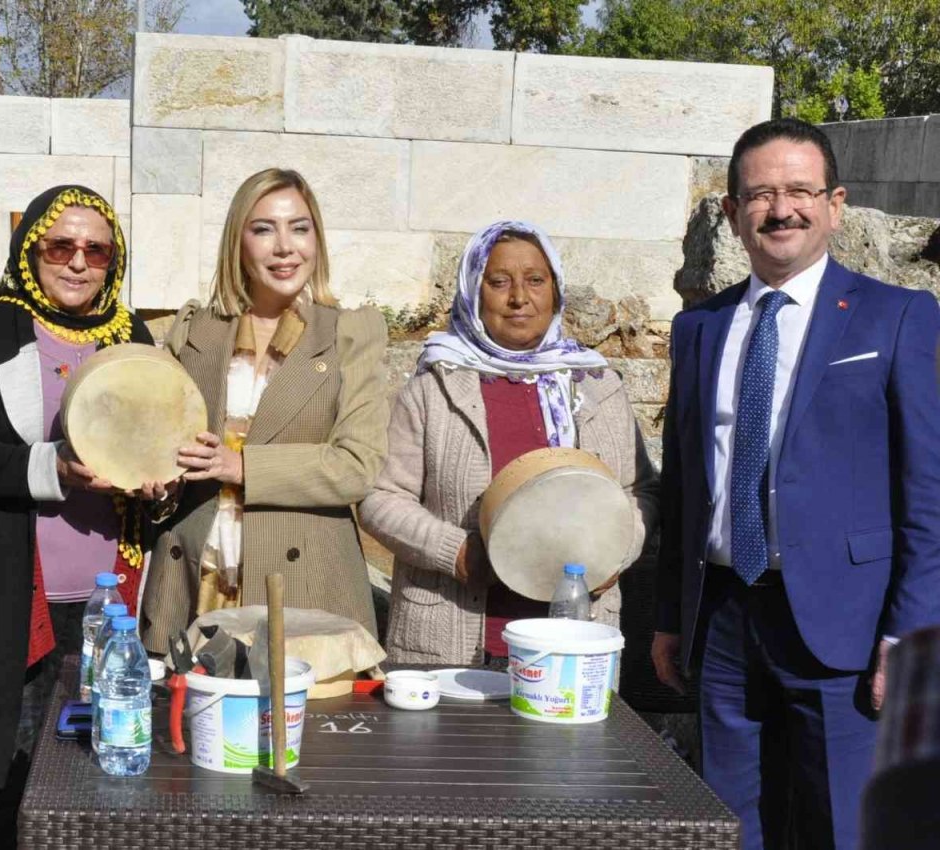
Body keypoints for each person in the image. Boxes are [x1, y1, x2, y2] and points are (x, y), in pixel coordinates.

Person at [653, 118, 940, 850]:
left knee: (845, 827)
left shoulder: (899, 317)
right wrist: (667, 615)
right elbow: (684, 486)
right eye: (760, 194)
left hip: (846, 628)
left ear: (835, 204)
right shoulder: (700, 329)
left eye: (801, 191)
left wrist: (908, 635)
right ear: (732, 213)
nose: (781, 209)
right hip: (722, 621)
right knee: (726, 825)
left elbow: (928, 494)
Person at [0, 184, 160, 847]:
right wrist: (52, 469)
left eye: (96, 249)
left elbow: (153, 447)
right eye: (60, 244)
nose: (77, 261)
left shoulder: (133, 338)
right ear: (30, 251)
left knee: (83, 783)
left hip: (107, 614)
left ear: (114, 260)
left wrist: (166, 481)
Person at [360, 220, 658, 664]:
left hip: (569, 643)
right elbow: (381, 497)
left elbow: (642, 492)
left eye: (535, 280)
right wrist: (455, 551)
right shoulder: (436, 387)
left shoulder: (596, 386)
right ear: (472, 292)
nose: (520, 297)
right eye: (499, 282)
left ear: (555, 291)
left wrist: (614, 549)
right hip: (453, 640)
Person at [140, 168, 389, 651]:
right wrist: (157, 484)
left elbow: (357, 467)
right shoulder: (195, 330)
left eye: (300, 228)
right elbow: (160, 450)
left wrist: (240, 464)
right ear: (238, 241)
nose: (284, 247)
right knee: (191, 726)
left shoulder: (349, 335)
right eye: (263, 229)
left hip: (304, 589)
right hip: (195, 583)